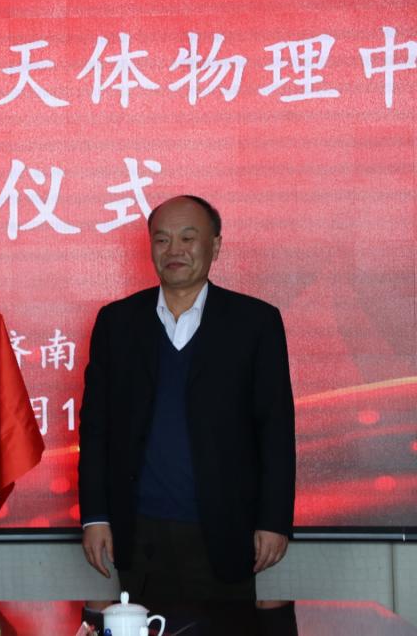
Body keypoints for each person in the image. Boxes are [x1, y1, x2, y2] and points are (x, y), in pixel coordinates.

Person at [77, 195, 295, 601]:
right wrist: (95, 517)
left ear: (215, 245)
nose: (173, 250)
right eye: (162, 240)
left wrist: (274, 520)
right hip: (137, 531)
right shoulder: (117, 322)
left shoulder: (255, 323)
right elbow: (96, 429)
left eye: (188, 238)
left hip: (227, 529)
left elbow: (275, 429)